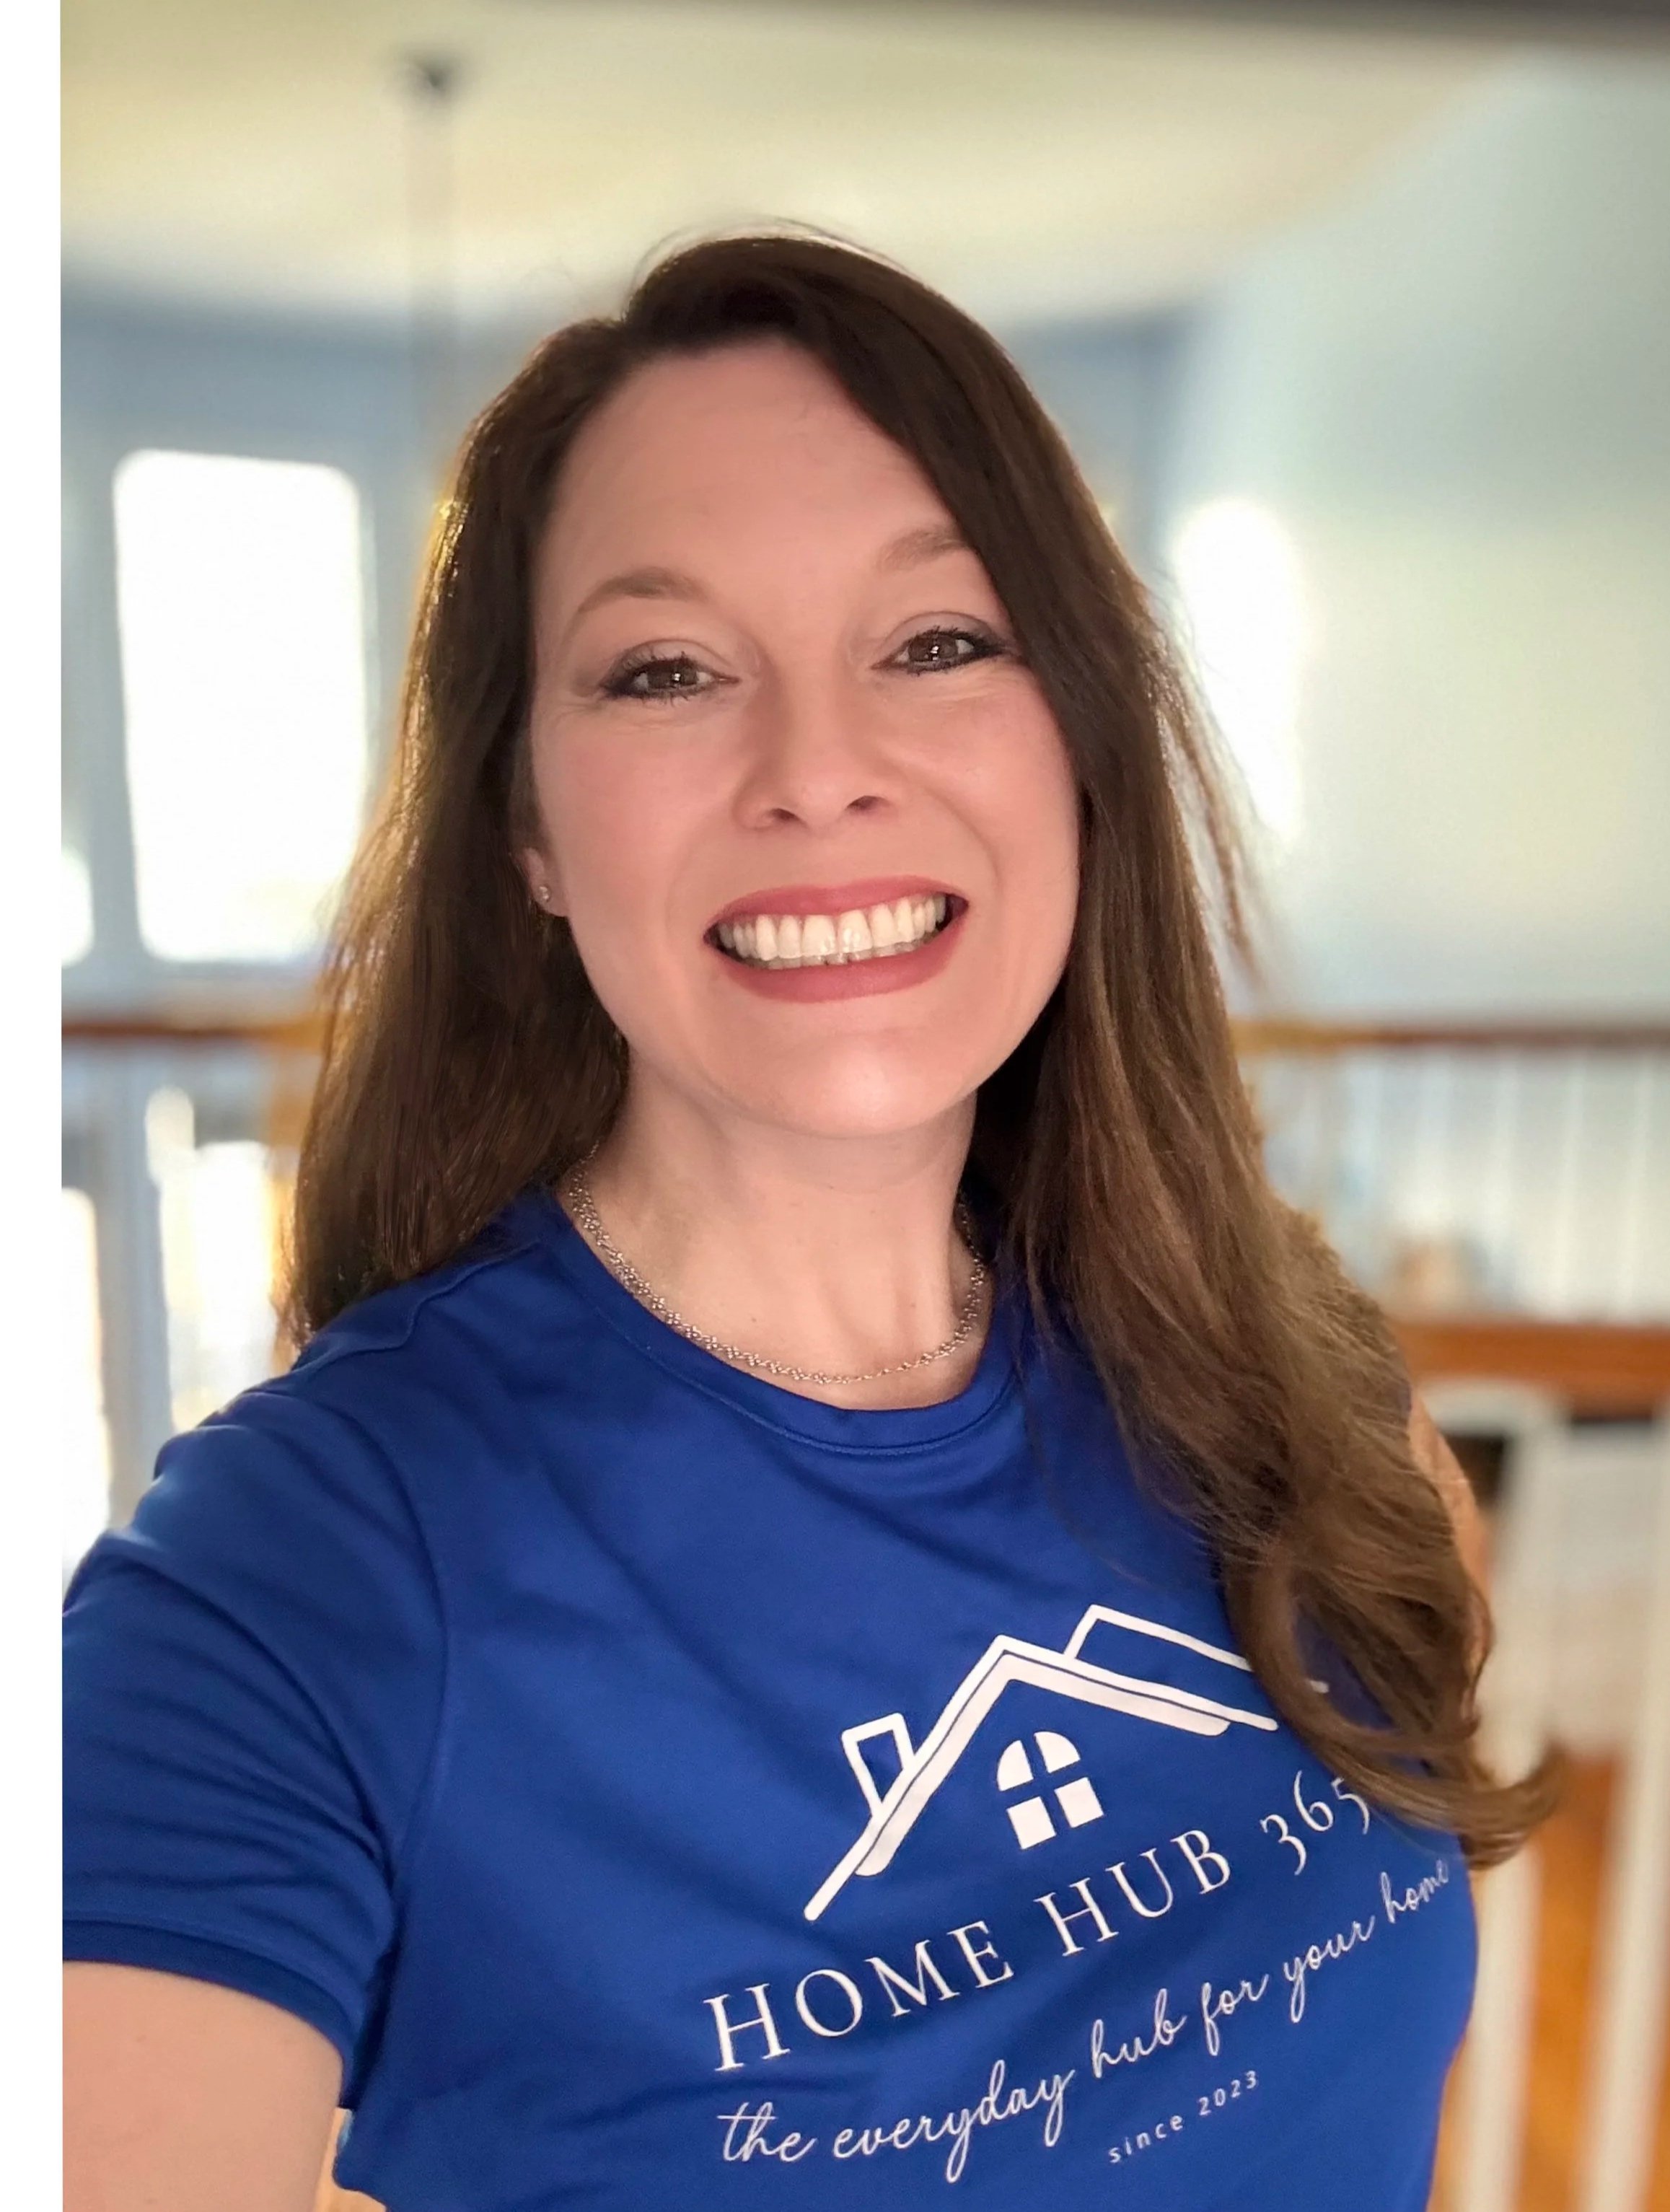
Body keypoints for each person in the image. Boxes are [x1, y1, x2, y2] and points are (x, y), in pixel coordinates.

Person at [64, 232, 1546, 2212]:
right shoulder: (290, 1583)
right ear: (527, 829)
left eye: (937, 641)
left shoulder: (1288, 1378)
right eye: (667, 669)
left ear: (1082, 744)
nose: (820, 770)